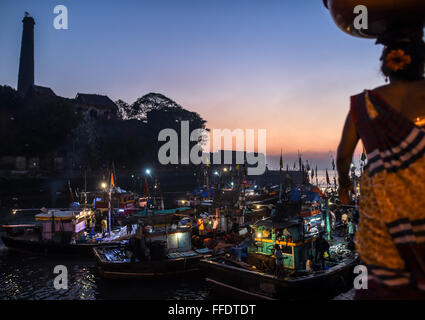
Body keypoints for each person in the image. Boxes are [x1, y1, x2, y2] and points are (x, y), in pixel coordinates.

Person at [337, 25, 425, 299]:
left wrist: (344, 186)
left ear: (385, 67)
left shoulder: (364, 105)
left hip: (384, 226)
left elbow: (343, 156)